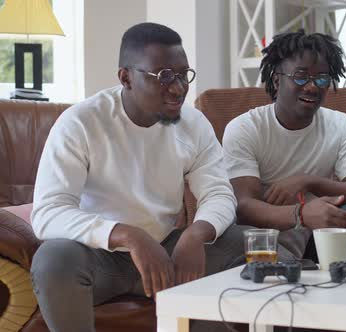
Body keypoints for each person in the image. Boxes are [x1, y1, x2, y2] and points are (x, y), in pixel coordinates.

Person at [30, 22, 245, 332]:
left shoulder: (194, 123)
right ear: (125, 77)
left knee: (251, 248)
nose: (178, 88)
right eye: (164, 76)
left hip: (169, 253)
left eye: (183, 75)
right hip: (99, 258)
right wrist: (131, 237)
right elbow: (48, 213)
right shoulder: (81, 123)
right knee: (53, 260)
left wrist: (196, 234)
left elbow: (219, 194)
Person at [222, 30, 346, 265]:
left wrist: (309, 181)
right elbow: (244, 207)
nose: (312, 87)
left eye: (322, 79)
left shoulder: (340, 125)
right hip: (265, 242)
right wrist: (301, 215)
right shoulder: (246, 128)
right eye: (301, 76)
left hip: (318, 239)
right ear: (277, 80)